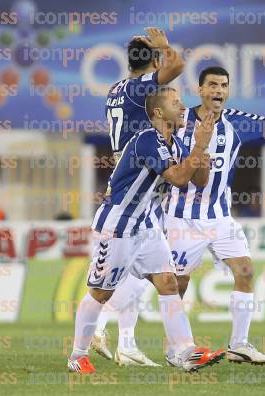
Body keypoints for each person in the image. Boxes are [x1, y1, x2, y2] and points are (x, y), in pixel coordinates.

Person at [93, 66, 265, 366]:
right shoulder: (180, 121)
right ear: (201, 89)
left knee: (245, 271)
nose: (218, 90)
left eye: (223, 85)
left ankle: (239, 345)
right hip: (180, 218)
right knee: (171, 283)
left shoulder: (237, 121)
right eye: (212, 85)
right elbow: (146, 147)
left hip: (221, 217)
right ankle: (161, 345)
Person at [67, 86, 225, 373]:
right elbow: (177, 177)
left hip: (146, 227)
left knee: (168, 282)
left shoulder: (175, 143)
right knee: (100, 293)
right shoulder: (147, 141)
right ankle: (77, 356)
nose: (182, 107)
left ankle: (184, 351)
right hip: (118, 226)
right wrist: (199, 147)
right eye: (175, 103)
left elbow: (199, 180)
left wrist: (205, 145)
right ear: (157, 112)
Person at [90, 27, 184, 366]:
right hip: (139, 179)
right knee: (144, 268)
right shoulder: (138, 89)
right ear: (153, 62)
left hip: (128, 174)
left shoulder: (115, 90)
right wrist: (165, 47)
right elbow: (176, 68)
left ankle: (126, 343)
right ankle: (99, 329)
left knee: (135, 270)